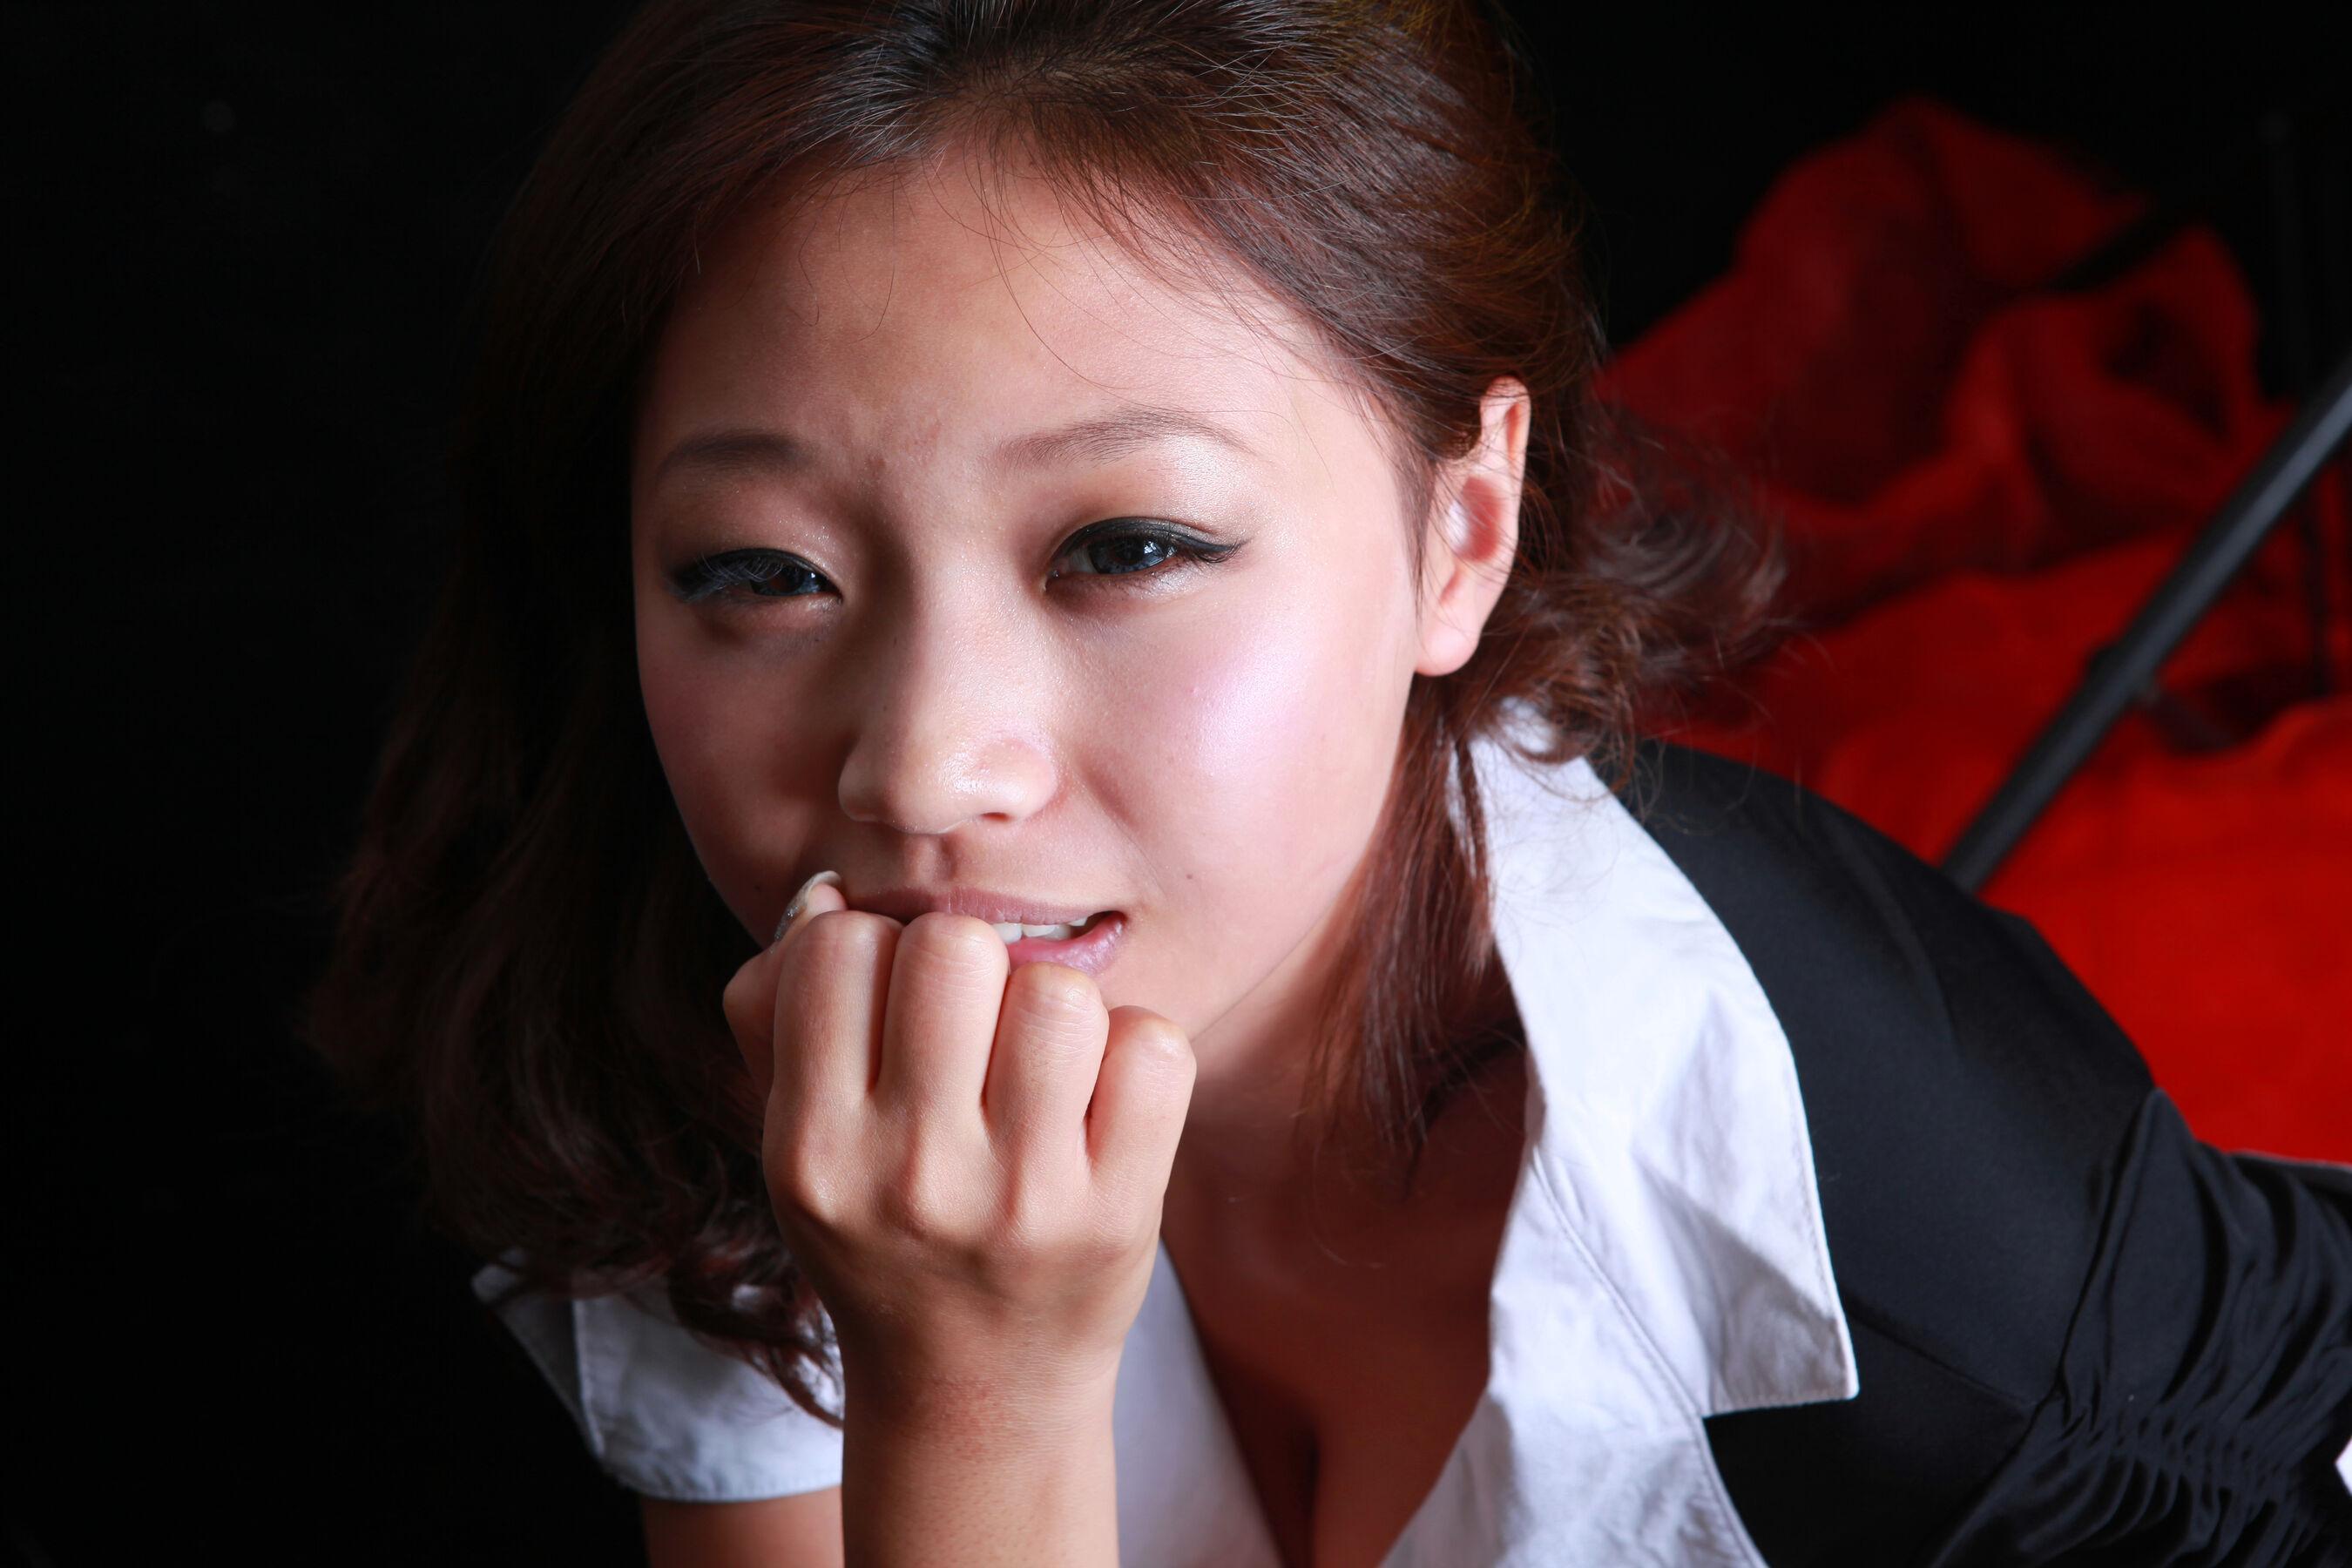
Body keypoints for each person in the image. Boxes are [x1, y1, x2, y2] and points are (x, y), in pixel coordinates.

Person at [300, 2, 2352, 1564]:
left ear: (1462, 534)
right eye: (762, 573)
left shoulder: (1932, 1335)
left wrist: (986, 1395)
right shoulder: (720, 974)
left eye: (1126, 549)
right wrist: (955, 1373)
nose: (918, 767)